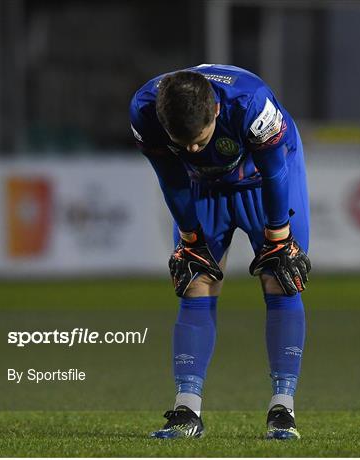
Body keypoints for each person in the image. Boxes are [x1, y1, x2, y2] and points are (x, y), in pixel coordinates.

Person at [129, 64, 311, 440]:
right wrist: (190, 238)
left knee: (280, 277)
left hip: (264, 179)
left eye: (199, 139)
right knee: (196, 280)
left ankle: (282, 410)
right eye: (183, 144)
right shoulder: (145, 110)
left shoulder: (250, 103)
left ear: (214, 111)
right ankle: (186, 411)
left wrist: (278, 236)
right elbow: (171, 177)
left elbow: (275, 169)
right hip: (203, 185)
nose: (193, 149)